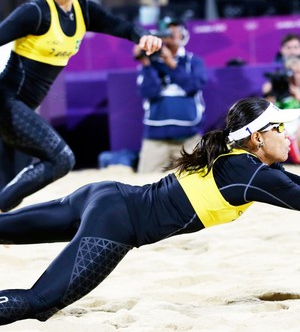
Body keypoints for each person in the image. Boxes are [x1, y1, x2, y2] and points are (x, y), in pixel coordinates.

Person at [1, 96, 300, 325]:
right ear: (257, 137)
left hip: (103, 194)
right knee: (39, 302)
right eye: (280, 129)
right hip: (114, 225)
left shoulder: (237, 158)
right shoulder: (253, 174)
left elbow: (289, 183)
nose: (288, 135)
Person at [0, 0, 162, 212]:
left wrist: (141, 36)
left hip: (23, 108)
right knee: (60, 159)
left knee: (16, 177)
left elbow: (118, 25)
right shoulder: (36, 12)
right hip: (6, 101)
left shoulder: (83, 10)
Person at [133, 17, 207, 173]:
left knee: (198, 181)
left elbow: (193, 86)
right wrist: (146, 63)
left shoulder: (193, 61)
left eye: (175, 29)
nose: (171, 33)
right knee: (144, 184)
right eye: (166, 29)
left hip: (188, 137)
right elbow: (149, 92)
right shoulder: (151, 62)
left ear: (184, 35)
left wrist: (170, 62)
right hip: (156, 139)